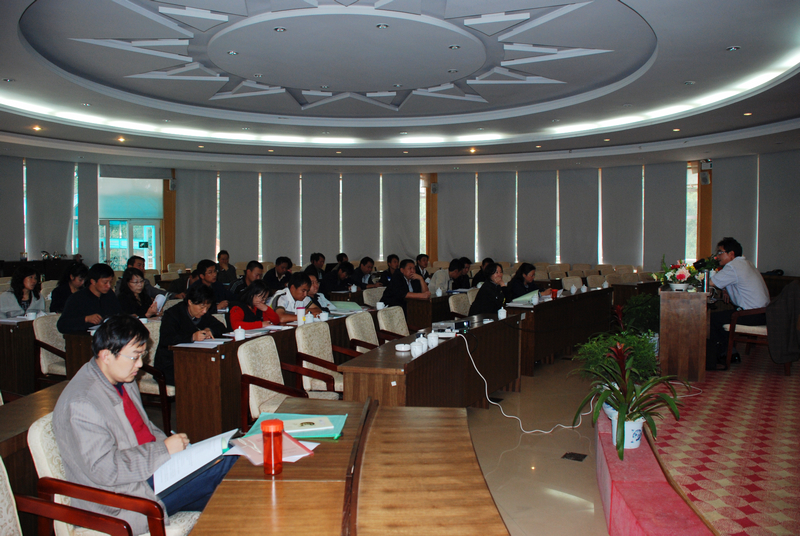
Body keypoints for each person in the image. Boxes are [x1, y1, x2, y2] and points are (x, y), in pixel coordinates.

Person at [53, 315, 235, 536]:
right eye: (134, 357)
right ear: (106, 355)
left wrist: (180, 452)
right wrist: (164, 450)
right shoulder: (82, 403)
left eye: (142, 355)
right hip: (121, 498)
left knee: (227, 478)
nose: (140, 365)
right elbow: (106, 470)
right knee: (228, 462)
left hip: (149, 473)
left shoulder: (121, 378)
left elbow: (145, 429)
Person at [707, 237, 770, 369]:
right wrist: (725, 289)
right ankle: (729, 353)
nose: (718, 256)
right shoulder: (746, 263)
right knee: (721, 317)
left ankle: (715, 359)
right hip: (763, 313)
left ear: (731, 254)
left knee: (712, 319)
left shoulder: (733, 266)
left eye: (720, 252)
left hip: (752, 314)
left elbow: (710, 282)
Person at [154, 285, 226, 386]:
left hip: (193, 361)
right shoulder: (172, 314)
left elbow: (221, 327)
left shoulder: (202, 314)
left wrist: (209, 330)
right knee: (200, 377)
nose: (205, 311)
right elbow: (167, 339)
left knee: (216, 372)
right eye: (202, 307)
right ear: (190, 302)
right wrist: (192, 337)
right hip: (170, 365)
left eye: (207, 307)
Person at [58, 263, 122, 334]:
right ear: (93, 281)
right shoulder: (77, 298)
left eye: (110, 282)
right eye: (105, 282)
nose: (109, 286)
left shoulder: (109, 295)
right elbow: (62, 325)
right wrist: (86, 319)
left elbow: (118, 314)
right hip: (83, 338)